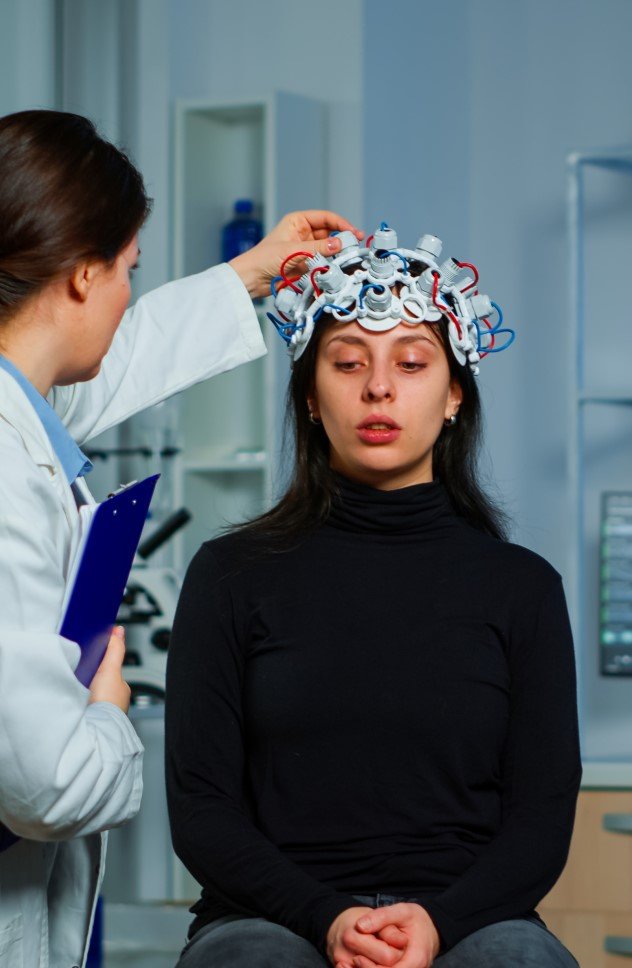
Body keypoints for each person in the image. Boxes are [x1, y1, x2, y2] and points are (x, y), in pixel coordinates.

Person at [0, 108, 362, 968]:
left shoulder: (24, 409)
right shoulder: (7, 473)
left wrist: (251, 274)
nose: (129, 294)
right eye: (129, 269)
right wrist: (109, 709)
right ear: (82, 275)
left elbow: (107, 367)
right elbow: (49, 786)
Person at [165, 228, 582, 968]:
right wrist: (326, 918)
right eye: (349, 362)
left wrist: (439, 922)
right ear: (311, 398)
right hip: (273, 913)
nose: (379, 388)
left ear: (455, 395)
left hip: (467, 918)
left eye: (411, 363)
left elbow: (542, 818)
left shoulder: (523, 588)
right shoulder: (230, 574)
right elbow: (201, 808)